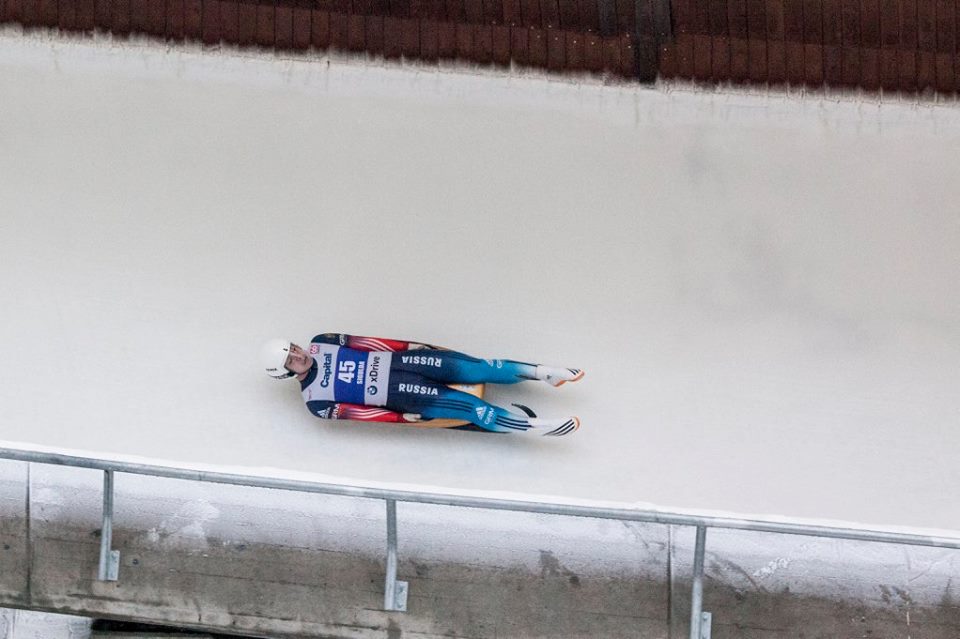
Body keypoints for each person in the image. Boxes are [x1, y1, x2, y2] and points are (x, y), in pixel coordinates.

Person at [261, 333, 583, 436]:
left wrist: (410, 346)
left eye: (294, 349)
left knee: (478, 368)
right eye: (291, 360)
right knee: (471, 408)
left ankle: (544, 372)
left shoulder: (322, 342)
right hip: (400, 395)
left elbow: (370, 342)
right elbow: (361, 414)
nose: (299, 356)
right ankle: (537, 427)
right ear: (286, 372)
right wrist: (402, 418)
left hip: (404, 362)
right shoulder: (316, 402)